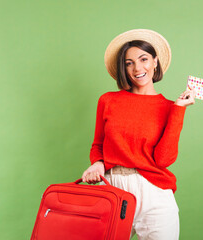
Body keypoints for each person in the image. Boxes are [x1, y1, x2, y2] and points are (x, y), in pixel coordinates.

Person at [82, 29, 196, 240]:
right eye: (129, 63)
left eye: (143, 59)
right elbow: (98, 144)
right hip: (112, 188)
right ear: (123, 68)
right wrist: (98, 163)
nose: (137, 68)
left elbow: (164, 159)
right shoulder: (108, 101)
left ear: (155, 62)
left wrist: (179, 108)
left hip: (154, 193)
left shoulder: (169, 107)